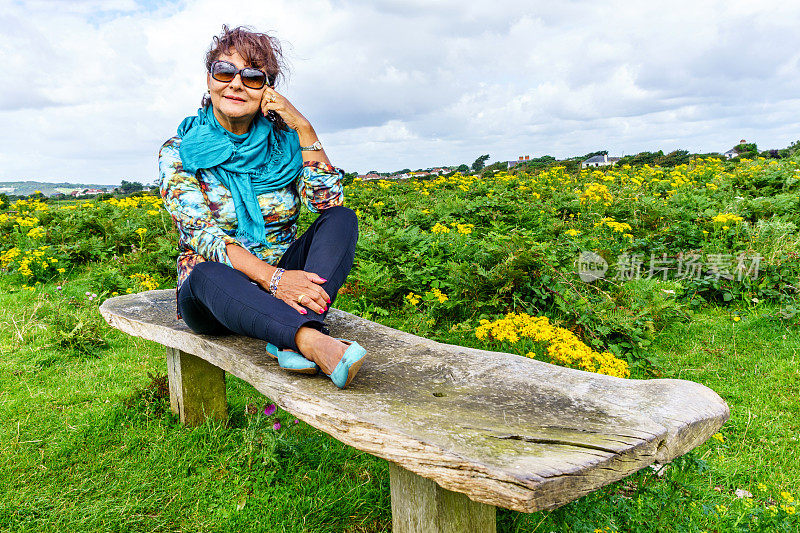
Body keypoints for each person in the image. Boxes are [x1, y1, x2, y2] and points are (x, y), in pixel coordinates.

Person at [158, 25, 365, 389]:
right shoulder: (180, 149)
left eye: (252, 77)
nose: (236, 84)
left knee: (341, 219)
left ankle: (287, 331)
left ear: (267, 90)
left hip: (282, 282)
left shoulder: (283, 145)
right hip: (213, 294)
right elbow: (201, 234)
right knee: (206, 270)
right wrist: (275, 279)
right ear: (209, 80)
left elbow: (327, 202)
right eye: (224, 71)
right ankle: (310, 340)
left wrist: (302, 126)